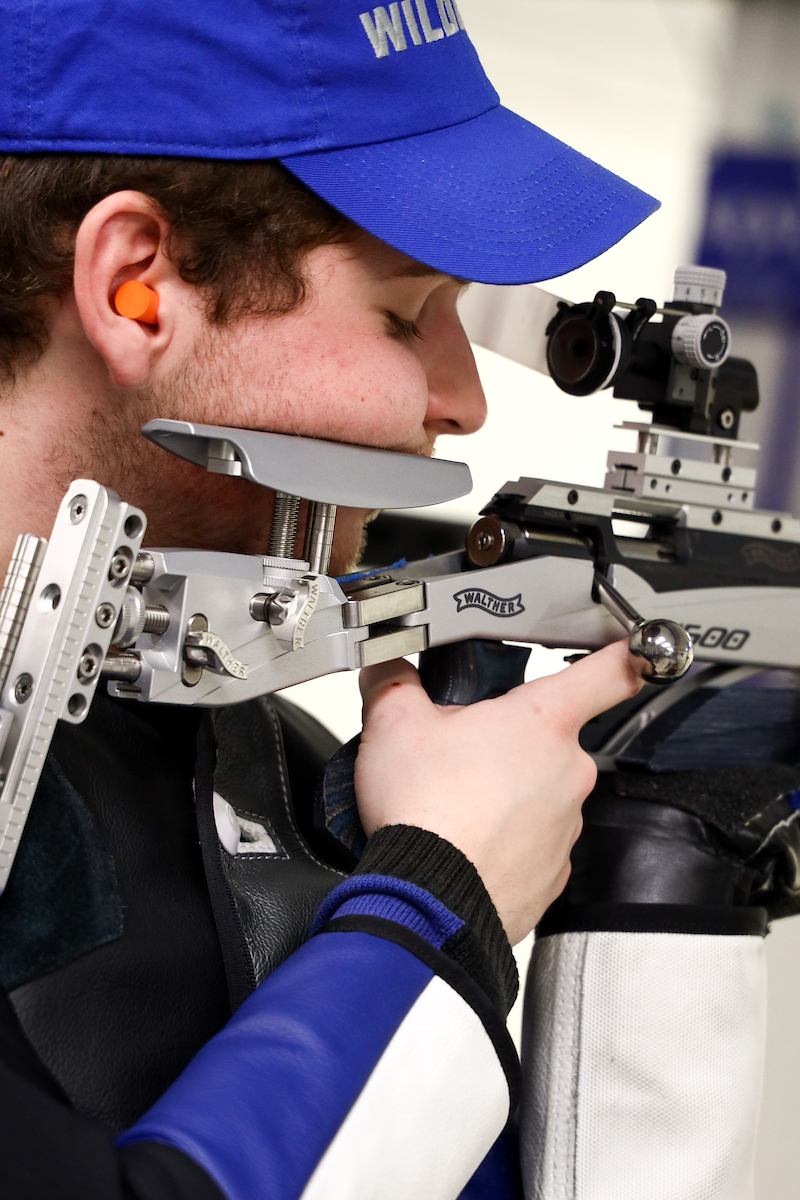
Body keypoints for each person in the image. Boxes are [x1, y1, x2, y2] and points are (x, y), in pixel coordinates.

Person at [0, 2, 662, 1197]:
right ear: (139, 285)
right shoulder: (396, 852)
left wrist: (661, 894)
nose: (459, 398)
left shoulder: (268, 762)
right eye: (406, 313)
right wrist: (430, 912)